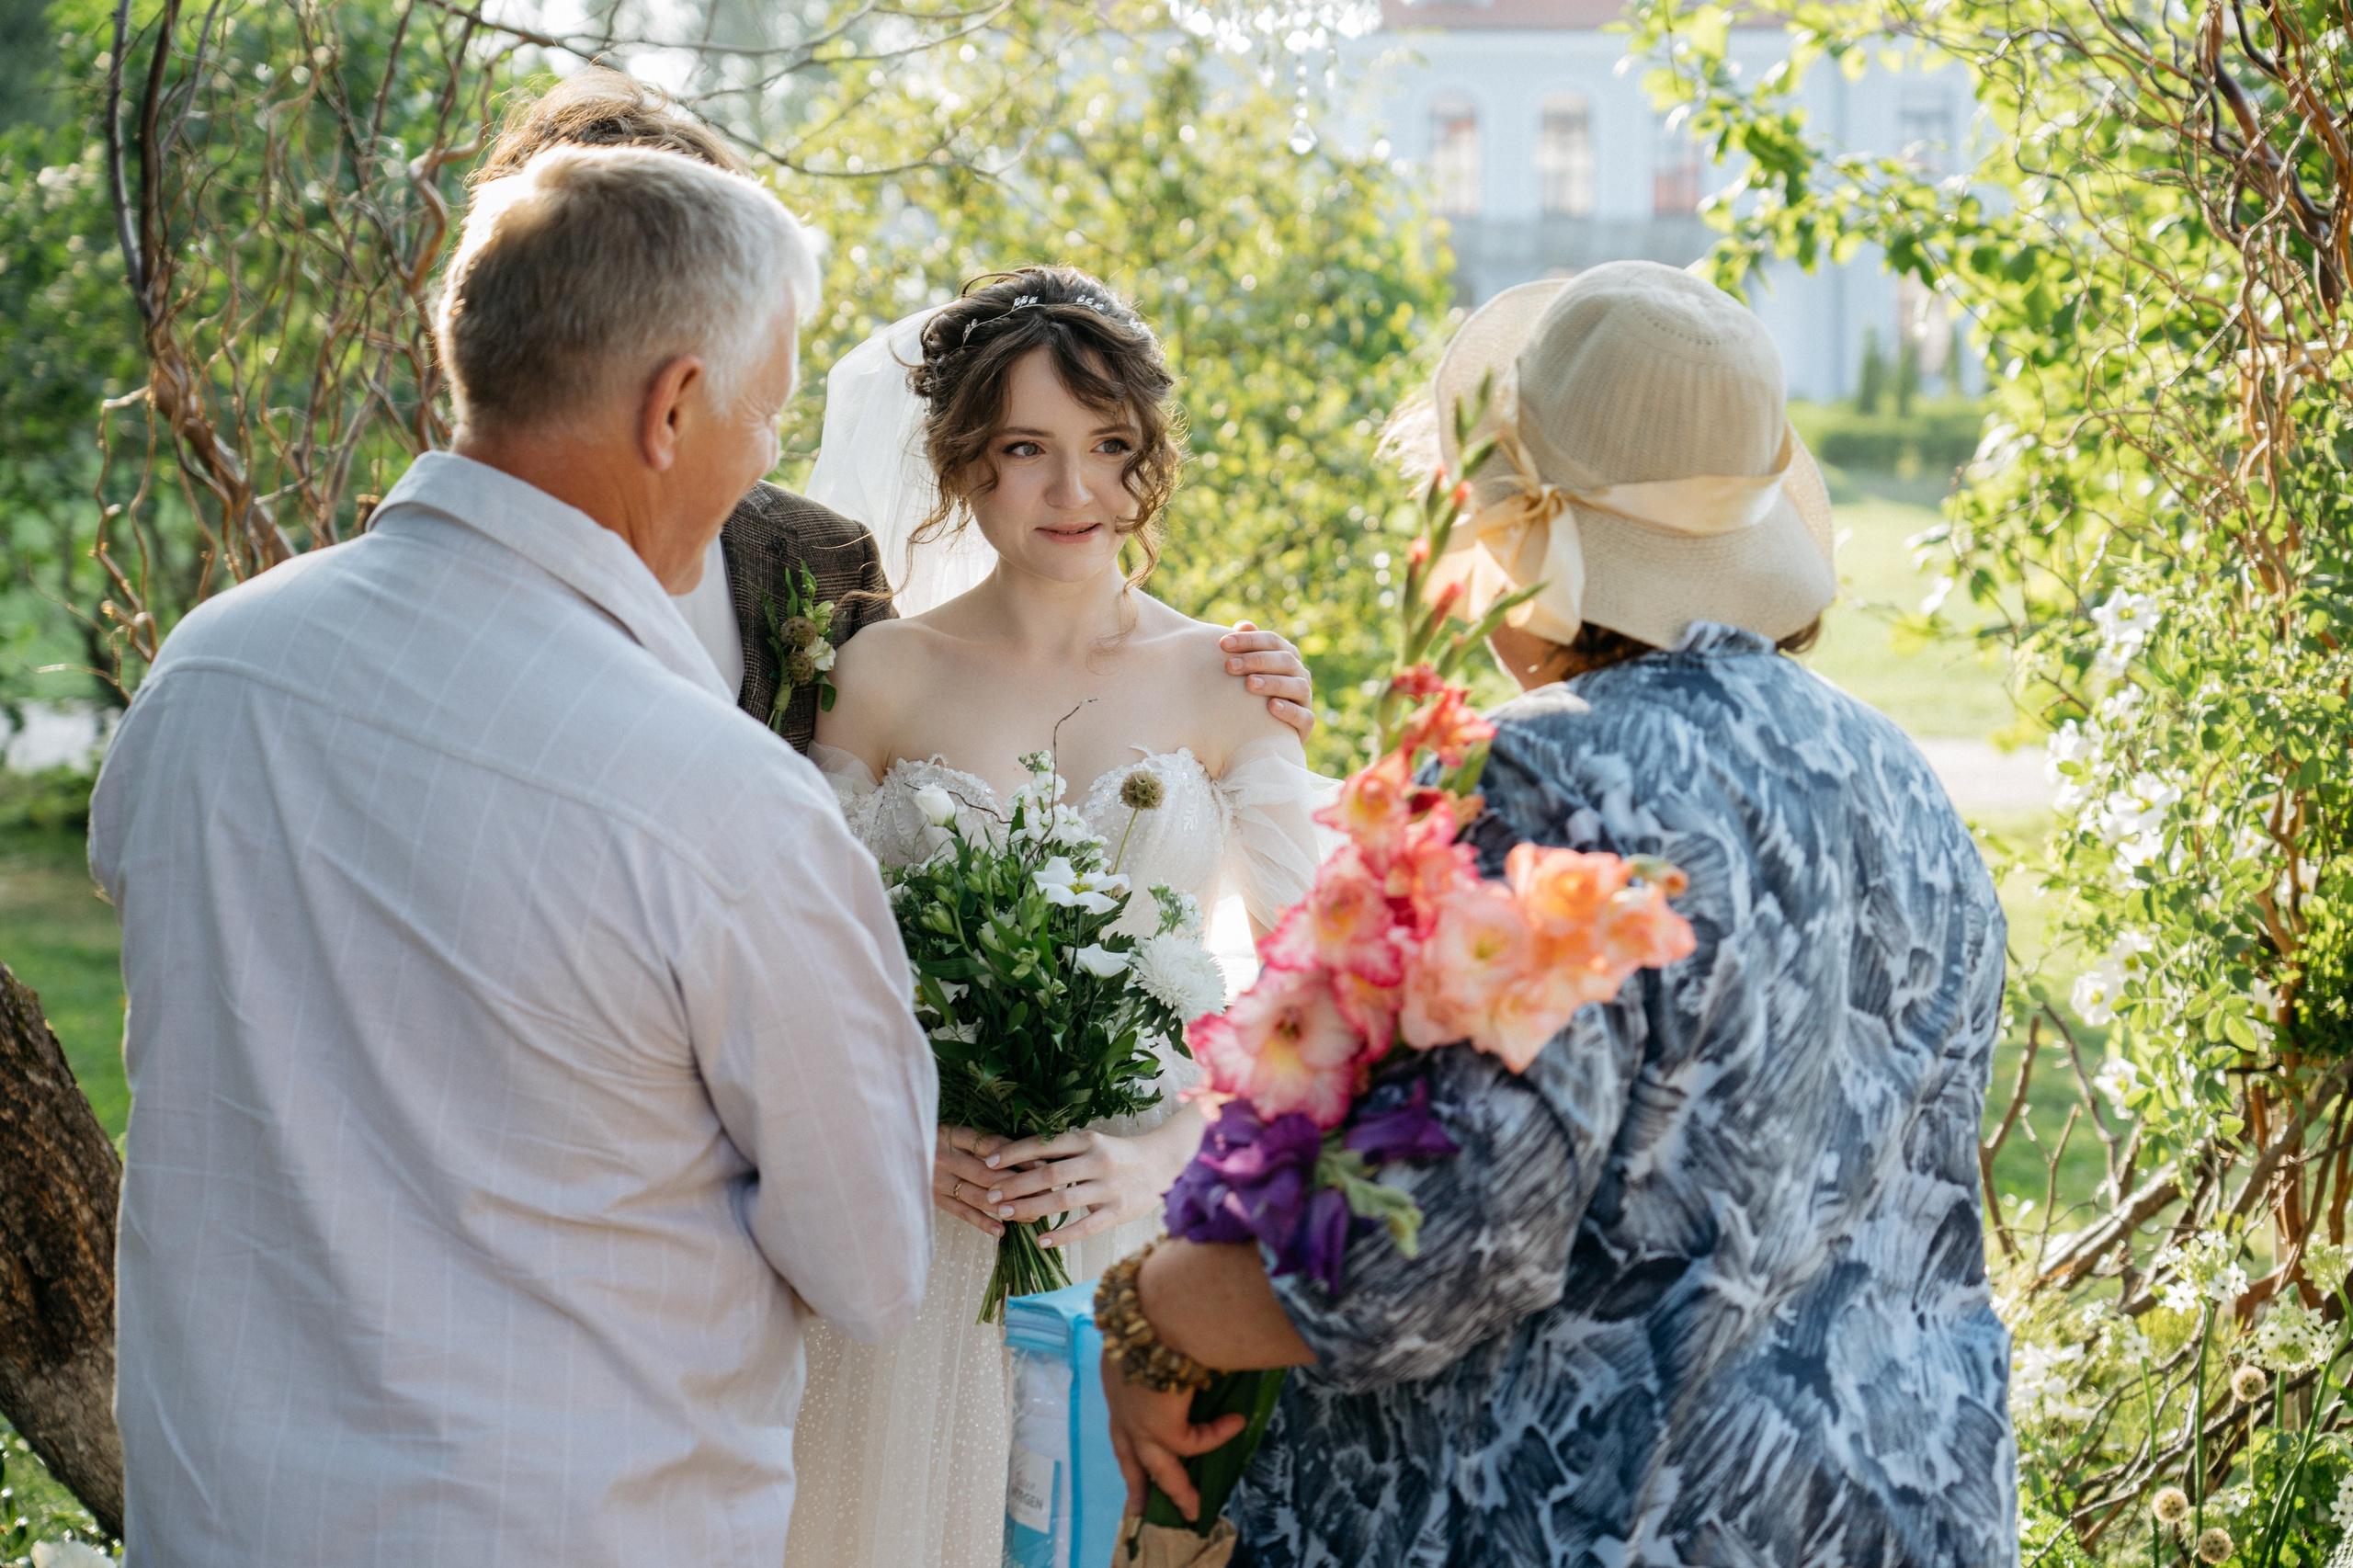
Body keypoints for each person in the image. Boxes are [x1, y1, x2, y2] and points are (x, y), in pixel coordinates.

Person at [89, 145, 939, 1563]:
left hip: (223, 1518)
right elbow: (868, 1262)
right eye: (767, 422)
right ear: (675, 406)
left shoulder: (208, 675)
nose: (762, 465)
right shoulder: (723, 803)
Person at [1097, 261, 2017, 1565]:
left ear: (1521, 531)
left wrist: (1154, 1306)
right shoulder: (1896, 771)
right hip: (1892, 1512)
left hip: (1593, 1519)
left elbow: (1432, 1254)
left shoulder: (1545, 775)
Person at [784, 267, 1327, 1568]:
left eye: (1108, 449)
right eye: (1027, 449)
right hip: (923, 1242)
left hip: (1138, 1253)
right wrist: (907, 1133)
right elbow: (801, 969)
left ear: (1150, 459)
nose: (1073, 493)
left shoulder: (1228, 679)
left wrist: (1163, 1155)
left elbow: (1311, 994)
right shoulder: (879, 674)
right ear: (966, 461)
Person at [472, 69, 1320, 753]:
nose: (1072, 486)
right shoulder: (441, 578)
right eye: (1026, 447)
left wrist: (1254, 692)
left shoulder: (824, 561)